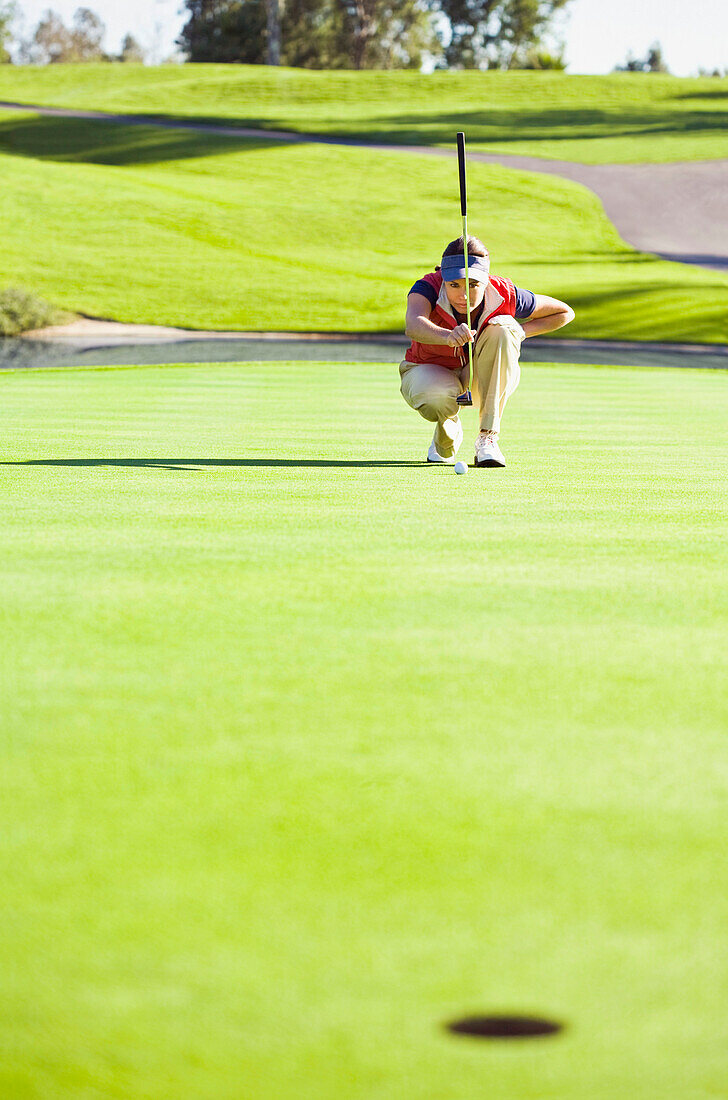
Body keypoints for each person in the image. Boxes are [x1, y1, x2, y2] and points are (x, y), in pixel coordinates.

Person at [400, 236, 575, 467]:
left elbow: (564, 313)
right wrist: (447, 336)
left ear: (486, 280)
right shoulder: (427, 287)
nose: (463, 295)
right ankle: (448, 425)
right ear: (443, 278)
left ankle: (488, 437)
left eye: (473, 285)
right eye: (454, 285)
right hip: (429, 371)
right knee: (438, 401)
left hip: (481, 377)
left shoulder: (504, 293)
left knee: (504, 328)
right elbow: (414, 324)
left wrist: (519, 333)